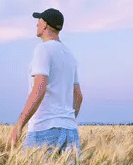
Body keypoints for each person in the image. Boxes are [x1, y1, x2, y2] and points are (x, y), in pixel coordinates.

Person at [9, 8, 83, 154]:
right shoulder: (70, 55)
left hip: (43, 130)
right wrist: (64, 121)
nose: (36, 24)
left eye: (39, 21)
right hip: (71, 132)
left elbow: (39, 89)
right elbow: (78, 96)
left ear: (45, 25)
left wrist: (19, 125)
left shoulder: (43, 49)